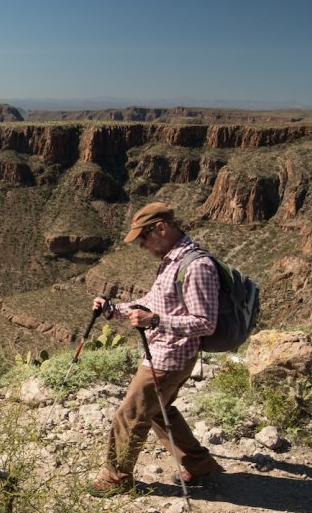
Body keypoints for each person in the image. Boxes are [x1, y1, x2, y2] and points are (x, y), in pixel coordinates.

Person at [89, 202, 224, 495]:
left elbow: (205, 323)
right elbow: (152, 302)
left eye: (143, 237)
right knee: (160, 413)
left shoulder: (197, 266)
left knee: (130, 415)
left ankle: (116, 478)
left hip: (169, 358)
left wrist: (156, 321)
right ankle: (201, 466)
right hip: (165, 352)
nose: (140, 245)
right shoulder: (171, 260)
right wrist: (113, 310)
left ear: (161, 228)